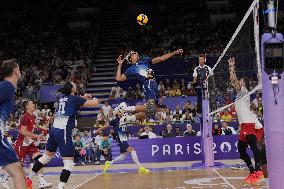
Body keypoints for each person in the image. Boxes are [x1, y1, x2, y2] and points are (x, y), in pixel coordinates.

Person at [27, 81, 101, 189]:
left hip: (54, 130)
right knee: (69, 164)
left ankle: (28, 179)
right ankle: (61, 187)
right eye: (74, 85)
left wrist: (83, 97)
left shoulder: (62, 98)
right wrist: (96, 99)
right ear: (72, 89)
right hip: (63, 132)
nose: (76, 85)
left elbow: (74, 101)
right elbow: (94, 103)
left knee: (46, 157)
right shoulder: (75, 99)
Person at [115, 49, 183, 121]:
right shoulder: (131, 69)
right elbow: (118, 78)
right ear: (130, 58)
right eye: (133, 54)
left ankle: (127, 118)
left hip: (153, 84)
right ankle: (125, 108)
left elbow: (161, 58)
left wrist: (174, 52)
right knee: (151, 107)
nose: (136, 54)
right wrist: (120, 65)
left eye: (136, 53)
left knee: (151, 112)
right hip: (148, 83)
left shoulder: (145, 60)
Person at [228, 57, 264, 184]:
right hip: (244, 125)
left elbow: (234, 81)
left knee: (253, 146)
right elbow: (233, 82)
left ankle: (258, 169)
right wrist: (231, 70)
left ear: (244, 84)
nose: (238, 83)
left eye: (240, 81)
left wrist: (232, 67)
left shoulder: (243, 91)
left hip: (249, 123)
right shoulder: (240, 94)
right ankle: (252, 170)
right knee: (242, 151)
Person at [0, 59, 27, 189]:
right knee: (18, 172)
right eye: (19, 69)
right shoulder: (7, 86)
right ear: (15, 71)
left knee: (18, 172)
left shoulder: (7, 87)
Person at [13, 100, 52, 188]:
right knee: (18, 166)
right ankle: (5, 177)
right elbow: (23, 131)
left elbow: (34, 127)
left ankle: (41, 182)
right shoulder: (24, 117)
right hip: (21, 143)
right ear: (27, 107)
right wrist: (36, 136)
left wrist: (44, 127)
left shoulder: (33, 116)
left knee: (40, 160)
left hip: (29, 143)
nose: (34, 104)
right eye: (31, 103)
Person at [99, 109, 150, 174]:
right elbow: (106, 126)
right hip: (120, 139)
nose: (122, 112)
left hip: (124, 139)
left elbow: (133, 119)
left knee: (123, 155)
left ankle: (109, 162)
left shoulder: (124, 119)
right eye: (120, 111)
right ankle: (141, 167)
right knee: (132, 150)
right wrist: (99, 129)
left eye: (122, 111)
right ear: (117, 113)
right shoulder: (114, 120)